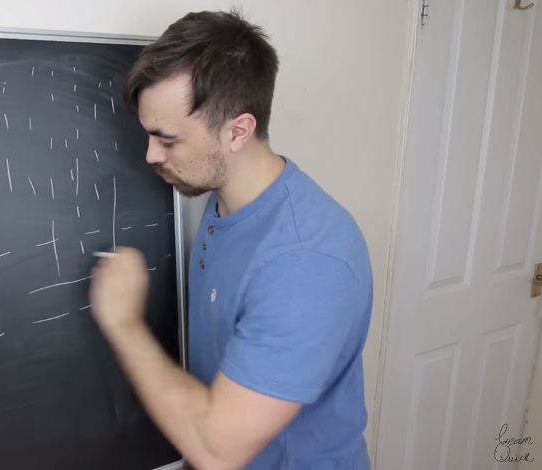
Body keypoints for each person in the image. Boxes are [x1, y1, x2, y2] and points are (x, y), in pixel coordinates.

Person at [88, 9, 374, 470]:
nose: (151, 155)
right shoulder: (223, 199)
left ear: (238, 131)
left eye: (167, 139)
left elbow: (219, 450)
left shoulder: (305, 262)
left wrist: (122, 321)